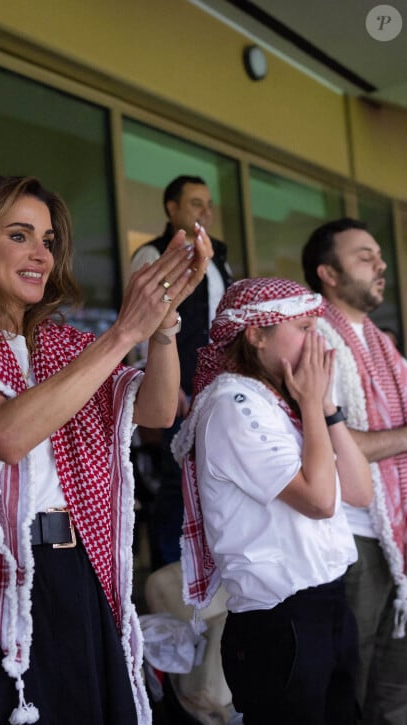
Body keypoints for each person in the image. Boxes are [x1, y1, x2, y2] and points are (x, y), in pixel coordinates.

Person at [0, 174, 213, 724]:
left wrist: (160, 330)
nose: (41, 253)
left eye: (47, 240)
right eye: (19, 235)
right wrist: (122, 333)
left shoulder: (63, 345)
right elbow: (5, 434)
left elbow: (159, 412)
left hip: (78, 570)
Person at [172, 277, 373, 724]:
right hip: (283, 621)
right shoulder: (233, 404)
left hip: (329, 606)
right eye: (302, 328)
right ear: (256, 334)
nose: (315, 342)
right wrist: (310, 401)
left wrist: (326, 409)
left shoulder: (287, 402)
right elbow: (320, 501)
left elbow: (360, 492)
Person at [302, 218, 407, 723]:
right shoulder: (315, 339)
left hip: (394, 531)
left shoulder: (382, 345)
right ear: (329, 273)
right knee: (353, 678)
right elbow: (339, 443)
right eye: (365, 256)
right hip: (352, 534)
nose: (380, 264)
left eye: (379, 255)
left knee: (396, 680)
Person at [130, 174, 233, 568]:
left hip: (216, 384)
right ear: (171, 208)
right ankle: (168, 571)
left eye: (207, 204)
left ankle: (205, 566)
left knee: (212, 476)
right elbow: (143, 326)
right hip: (177, 384)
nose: (204, 211)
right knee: (177, 478)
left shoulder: (218, 256)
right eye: (195, 203)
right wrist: (164, 384)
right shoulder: (152, 253)